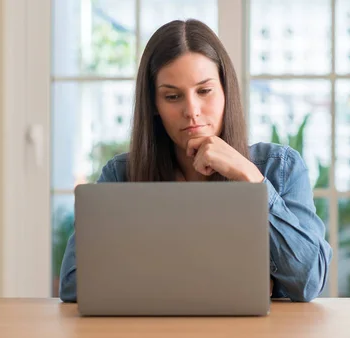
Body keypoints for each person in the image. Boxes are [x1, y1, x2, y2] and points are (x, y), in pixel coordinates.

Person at [59, 19, 332, 303]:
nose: (192, 111)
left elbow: (310, 281)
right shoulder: (121, 175)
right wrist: (230, 278)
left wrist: (252, 180)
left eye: (204, 91)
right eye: (173, 96)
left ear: (226, 91)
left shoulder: (280, 167)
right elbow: (73, 284)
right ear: (154, 104)